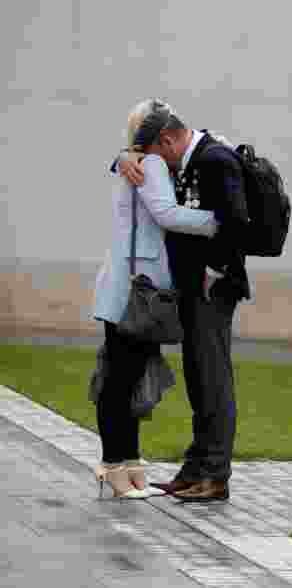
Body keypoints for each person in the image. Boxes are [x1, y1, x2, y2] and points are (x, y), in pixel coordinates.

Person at [115, 100, 250, 502]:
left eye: (157, 155)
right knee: (199, 378)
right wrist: (125, 157)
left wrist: (216, 269)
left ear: (169, 139)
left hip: (213, 288)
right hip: (195, 289)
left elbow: (236, 222)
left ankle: (214, 476)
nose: (158, 166)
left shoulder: (215, 159)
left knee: (213, 381)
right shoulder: (194, 156)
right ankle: (195, 470)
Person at [92, 99, 220, 499]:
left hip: (134, 286)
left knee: (128, 379)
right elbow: (167, 213)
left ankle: (129, 465)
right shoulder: (150, 165)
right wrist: (223, 221)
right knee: (119, 382)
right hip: (137, 290)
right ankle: (114, 467)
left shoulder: (137, 162)